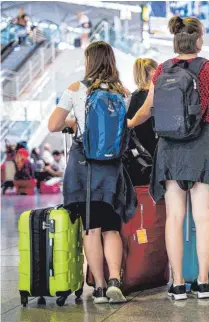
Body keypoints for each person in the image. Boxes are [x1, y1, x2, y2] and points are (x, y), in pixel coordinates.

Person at [127, 16, 209, 300]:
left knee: (174, 217)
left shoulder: (161, 70)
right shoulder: (208, 68)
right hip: (200, 146)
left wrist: (128, 123)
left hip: (170, 148)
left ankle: (179, 283)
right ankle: (204, 283)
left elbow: (148, 109)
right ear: (198, 40)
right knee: (203, 217)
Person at [48, 41, 137, 304]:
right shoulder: (124, 93)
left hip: (84, 168)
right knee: (111, 228)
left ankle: (98, 288)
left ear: (89, 62)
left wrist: (72, 122)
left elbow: (53, 124)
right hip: (112, 169)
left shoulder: (77, 89)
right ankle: (114, 281)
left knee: (91, 228)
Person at [126, 58, 159, 154]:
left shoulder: (133, 97)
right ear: (153, 72)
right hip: (158, 146)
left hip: (141, 149)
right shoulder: (161, 94)